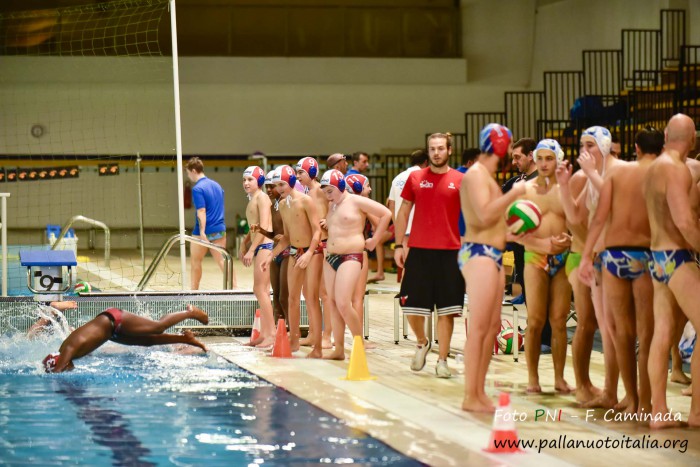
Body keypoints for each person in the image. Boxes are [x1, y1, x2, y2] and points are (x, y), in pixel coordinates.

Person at [578, 127, 663, 416]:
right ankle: (646, 403)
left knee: (621, 333)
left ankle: (631, 398)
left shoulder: (617, 173)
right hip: (644, 254)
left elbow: (599, 217)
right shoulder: (661, 173)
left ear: (636, 148)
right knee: (647, 335)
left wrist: (586, 256)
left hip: (614, 255)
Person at [460, 123, 525, 411]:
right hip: (478, 254)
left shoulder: (487, 176)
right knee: (479, 327)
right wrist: (516, 193)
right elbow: (484, 215)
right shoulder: (476, 174)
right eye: (508, 144)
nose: (510, 151)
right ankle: (470, 395)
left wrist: (520, 235)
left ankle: (479, 392)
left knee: (493, 326)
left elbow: (494, 224)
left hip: (493, 253)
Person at [642, 114, 700, 428]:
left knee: (662, 333)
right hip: (676, 256)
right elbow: (685, 223)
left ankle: (659, 411)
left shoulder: (654, 167)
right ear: (692, 140)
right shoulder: (675, 169)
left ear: (666, 135)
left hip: (657, 258)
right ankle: (697, 413)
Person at [394, 132, 464, 378]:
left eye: (441, 148)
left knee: (446, 311)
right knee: (409, 304)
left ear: (449, 150)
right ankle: (422, 342)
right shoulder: (415, 178)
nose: (436, 153)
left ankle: (442, 361)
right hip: (419, 251)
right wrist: (398, 245)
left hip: (450, 253)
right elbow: (403, 211)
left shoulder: (460, 180)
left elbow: (472, 215)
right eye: (432, 149)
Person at [513, 139, 573, 394]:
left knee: (559, 320)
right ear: (534, 160)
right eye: (540, 159)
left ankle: (559, 379)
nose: (544, 164)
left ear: (558, 160)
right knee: (536, 320)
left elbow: (579, 222)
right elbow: (513, 232)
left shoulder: (567, 189)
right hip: (535, 259)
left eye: (550, 158)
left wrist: (571, 240)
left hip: (562, 258)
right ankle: (533, 379)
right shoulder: (524, 190)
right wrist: (542, 244)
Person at [320, 170, 391, 360]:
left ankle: (358, 344)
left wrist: (375, 240)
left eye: (330, 191)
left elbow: (386, 214)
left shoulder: (356, 201)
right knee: (333, 303)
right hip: (331, 257)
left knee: (344, 302)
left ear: (340, 186)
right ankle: (339, 349)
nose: (327, 196)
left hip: (351, 256)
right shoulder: (332, 205)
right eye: (325, 192)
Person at [261, 166, 322, 356]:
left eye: (282, 184)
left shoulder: (306, 201)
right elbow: (287, 237)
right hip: (295, 252)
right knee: (292, 298)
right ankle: (294, 341)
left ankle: (318, 347)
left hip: (312, 252)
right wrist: (271, 255)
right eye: (277, 185)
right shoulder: (283, 205)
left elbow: (317, 231)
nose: (279, 189)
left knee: (312, 298)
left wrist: (309, 253)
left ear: (291, 182)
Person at [42, 305, 209, 373]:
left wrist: (53, 379)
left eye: (64, 367)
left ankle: (190, 312)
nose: (68, 369)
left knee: (157, 327)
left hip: (113, 320)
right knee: (147, 341)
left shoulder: (67, 350)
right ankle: (185, 339)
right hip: (111, 332)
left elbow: (59, 369)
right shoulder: (69, 352)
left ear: (61, 362)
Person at [296, 157, 333, 349]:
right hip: (311, 245)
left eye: (301, 172)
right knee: (308, 293)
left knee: (324, 293)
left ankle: (327, 335)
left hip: (324, 245)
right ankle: (313, 333)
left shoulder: (320, 190)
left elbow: (337, 203)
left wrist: (330, 219)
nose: (298, 176)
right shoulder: (306, 192)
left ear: (311, 172)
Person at [240, 166, 277, 348]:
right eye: (244, 180)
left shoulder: (262, 198)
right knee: (262, 290)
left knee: (260, 290)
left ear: (259, 181)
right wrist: (244, 242)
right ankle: (264, 334)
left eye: (250, 180)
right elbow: (254, 227)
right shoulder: (253, 198)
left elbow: (264, 226)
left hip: (265, 245)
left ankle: (271, 335)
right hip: (261, 245)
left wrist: (251, 250)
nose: (246, 183)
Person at [185, 157, 234, 290]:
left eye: (188, 173)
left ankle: (194, 292)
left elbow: (201, 211)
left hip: (203, 230)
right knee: (223, 261)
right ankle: (235, 288)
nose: (188, 176)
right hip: (219, 229)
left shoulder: (197, 188)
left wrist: (202, 232)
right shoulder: (217, 186)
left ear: (193, 171)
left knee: (196, 261)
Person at [502, 138, 538, 305]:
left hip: (537, 249)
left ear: (530, 155)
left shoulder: (543, 181)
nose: (514, 162)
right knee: (528, 293)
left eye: (517, 157)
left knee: (538, 298)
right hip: (519, 246)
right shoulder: (517, 181)